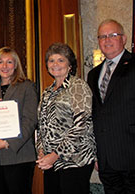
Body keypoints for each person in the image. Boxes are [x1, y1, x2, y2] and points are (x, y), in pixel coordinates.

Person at [87, 19, 135, 194]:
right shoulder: (93, 74)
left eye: (113, 35)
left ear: (124, 38)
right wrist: (97, 154)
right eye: (102, 36)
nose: (107, 40)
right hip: (107, 161)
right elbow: (95, 116)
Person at [36, 42, 96, 194]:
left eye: (60, 60)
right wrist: (41, 150)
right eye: (51, 60)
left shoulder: (78, 86)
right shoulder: (47, 92)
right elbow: (42, 125)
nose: (55, 64)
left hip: (75, 161)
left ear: (70, 65)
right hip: (51, 162)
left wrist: (56, 155)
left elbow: (81, 126)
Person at [0, 47, 37, 194]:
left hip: (19, 156)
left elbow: (30, 121)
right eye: (0, 62)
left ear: (15, 65)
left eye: (9, 62)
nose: (4, 66)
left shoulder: (27, 87)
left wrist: (8, 143)